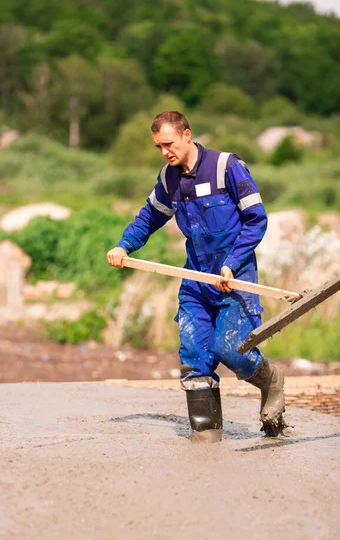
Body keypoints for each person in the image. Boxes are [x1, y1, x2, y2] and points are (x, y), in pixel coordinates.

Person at [107, 111, 285, 443]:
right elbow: (149, 217)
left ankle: (271, 381)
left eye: (169, 144)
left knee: (232, 350)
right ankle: (206, 440)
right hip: (196, 280)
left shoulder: (227, 167)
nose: (164, 152)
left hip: (234, 275)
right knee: (194, 356)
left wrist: (232, 263)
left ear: (187, 135)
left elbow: (256, 219)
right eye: (158, 147)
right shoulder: (168, 179)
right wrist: (124, 245)